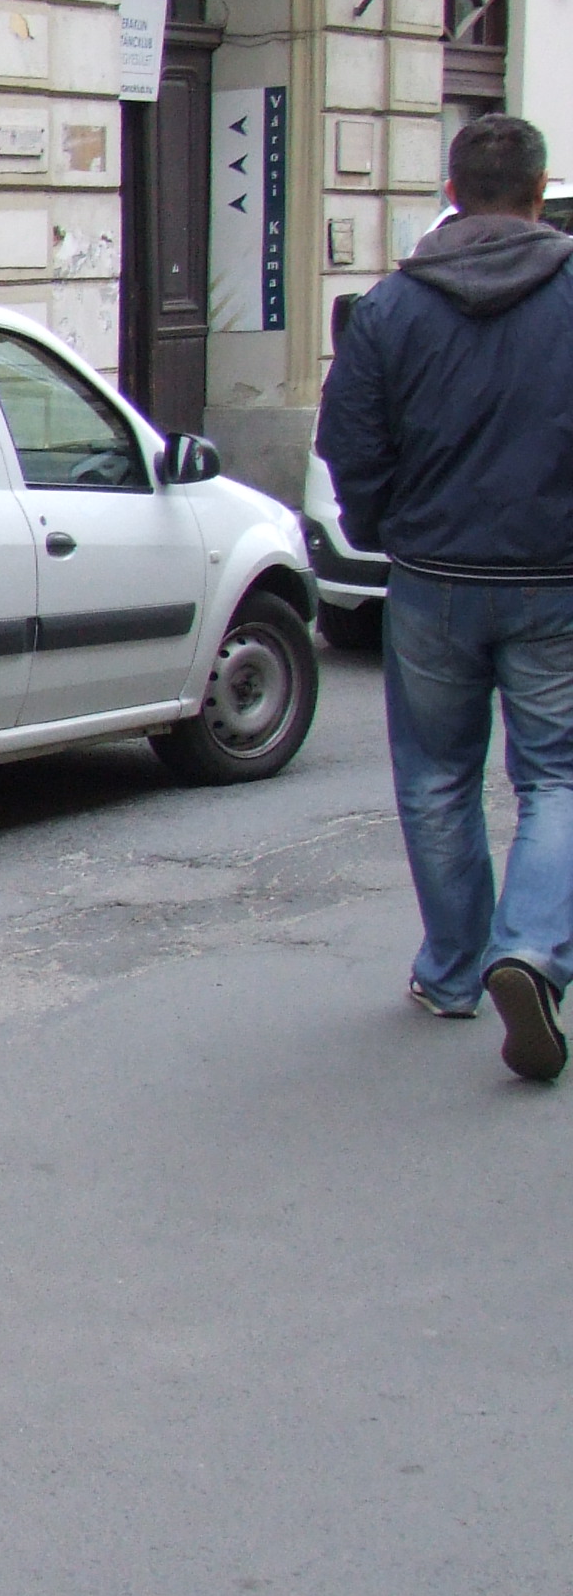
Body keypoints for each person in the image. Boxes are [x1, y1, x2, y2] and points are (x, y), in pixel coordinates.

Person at [317, 112, 573, 1081]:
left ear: (452, 194)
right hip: (554, 577)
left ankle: (455, 970)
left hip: (431, 579)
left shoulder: (390, 308)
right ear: (539, 193)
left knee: (434, 777)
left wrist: (386, 528)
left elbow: (349, 442)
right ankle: (531, 948)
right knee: (555, 777)